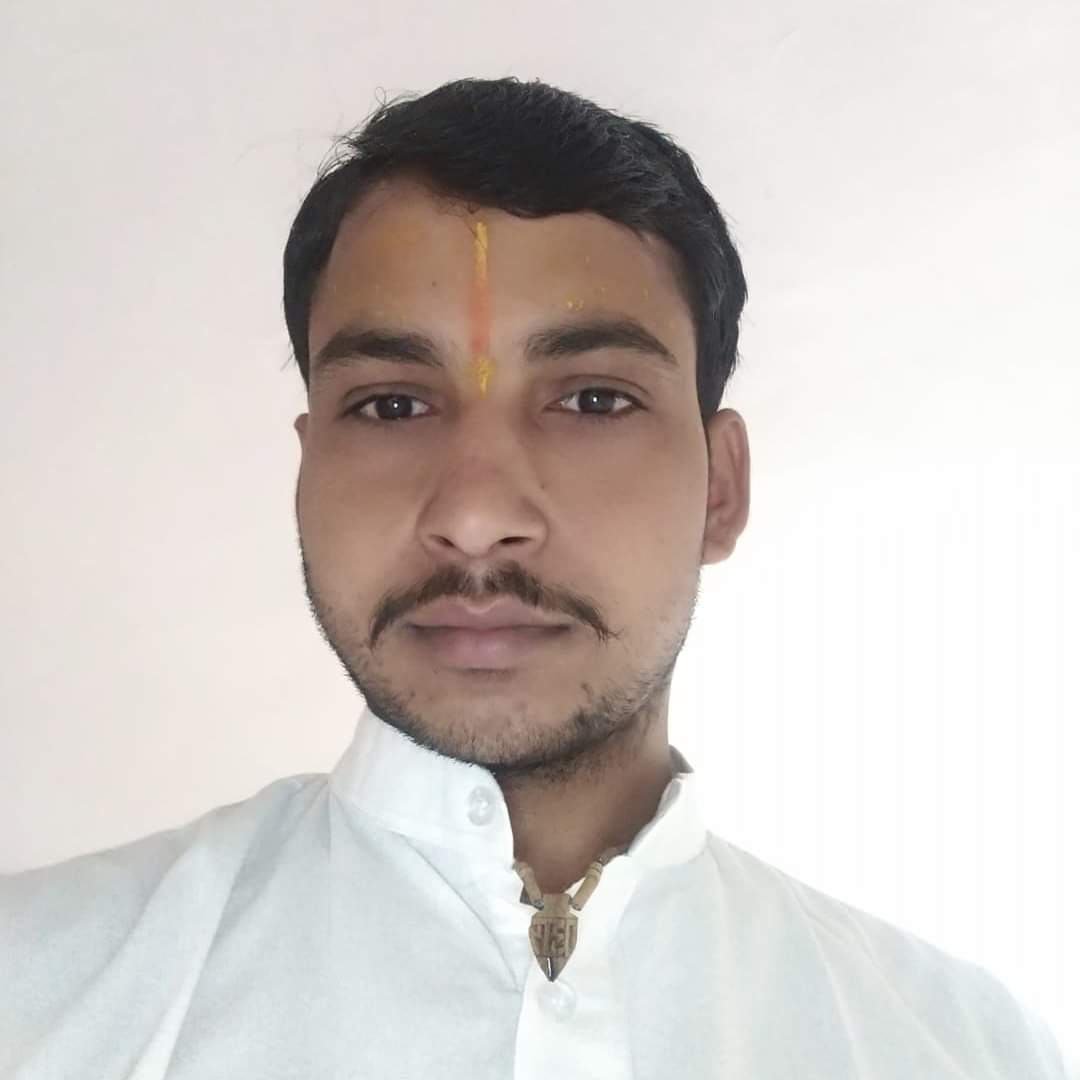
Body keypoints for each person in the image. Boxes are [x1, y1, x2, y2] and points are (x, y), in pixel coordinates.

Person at [0, 76, 1069, 1079]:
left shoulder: (963, 1048)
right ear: (306, 467)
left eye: (594, 400)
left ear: (721, 487)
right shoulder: (37, 997)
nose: (474, 515)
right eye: (391, 405)